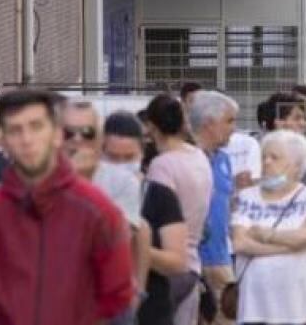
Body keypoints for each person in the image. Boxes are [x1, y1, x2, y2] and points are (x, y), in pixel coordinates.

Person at [0, 90, 134, 325]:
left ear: (57, 134)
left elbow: (116, 292)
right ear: (3, 140)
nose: (27, 139)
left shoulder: (96, 211)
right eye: (16, 130)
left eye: (36, 126)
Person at [62, 101, 151, 325]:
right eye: (69, 133)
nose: (78, 140)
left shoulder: (123, 181)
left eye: (87, 133)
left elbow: (116, 238)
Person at [231, 130, 306, 324]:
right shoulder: (247, 197)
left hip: (299, 312)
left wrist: (266, 235)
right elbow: (240, 243)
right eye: (264, 157)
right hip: (254, 311)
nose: (266, 163)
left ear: (296, 166)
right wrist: (292, 244)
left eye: (274, 157)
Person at [103, 112, 189, 325]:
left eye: (129, 157)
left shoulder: (159, 196)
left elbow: (178, 262)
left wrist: (133, 248)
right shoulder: (87, 196)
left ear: (142, 154)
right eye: (113, 158)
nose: (121, 165)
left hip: (151, 311)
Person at [144, 94, 214, 325]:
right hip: (193, 265)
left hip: (164, 266)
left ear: (151, 127)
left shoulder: (161, 165)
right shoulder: (198, 157)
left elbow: (157, 213)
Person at [188, 91, 240, 325]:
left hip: (220, 256)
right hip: (192, 258)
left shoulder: (223, 159)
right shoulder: (186, 158)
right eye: (229, 121)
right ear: (209, 123)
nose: (234, 128)